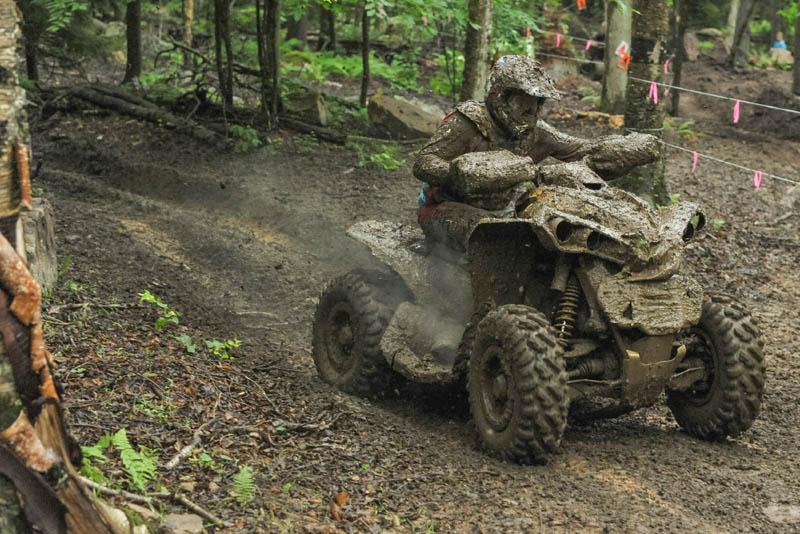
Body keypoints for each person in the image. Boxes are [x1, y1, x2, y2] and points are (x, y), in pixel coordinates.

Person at [413, 55, 658, 249]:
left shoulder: (537, 133)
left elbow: (583, 150)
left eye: (539, 101)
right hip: (445, 207)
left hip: (505, 210)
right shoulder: (468, 122)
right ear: (501, 95)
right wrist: (458, 174)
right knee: (497, 234)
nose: (533, 109)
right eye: (525, 99)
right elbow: (423, 162)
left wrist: (625, 149)